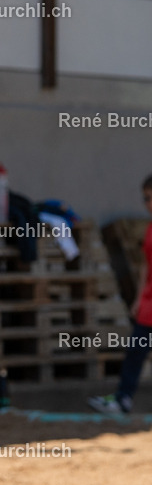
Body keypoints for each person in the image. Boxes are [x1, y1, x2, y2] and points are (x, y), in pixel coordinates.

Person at [89, 174, 152, 414]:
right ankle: (123, 398)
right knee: (136, 349)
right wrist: (138, 298)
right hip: (148, 303)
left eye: (150, 198)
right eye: (145, 198)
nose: (147, 204)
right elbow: (146, 264)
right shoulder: (150, 229)